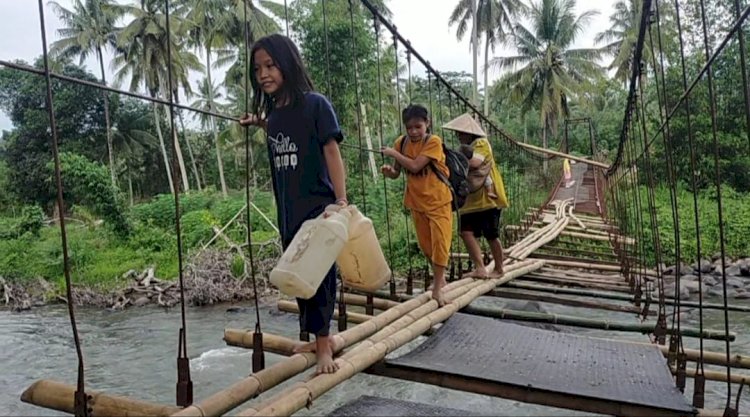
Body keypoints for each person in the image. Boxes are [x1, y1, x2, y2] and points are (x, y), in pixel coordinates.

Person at [239, 34, 346, 375]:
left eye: (270, 65)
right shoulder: (275, 116)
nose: (264, 74)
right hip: (288, 209)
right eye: (257, 69)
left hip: (318, 204)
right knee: (298, 272)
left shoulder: (315, 104)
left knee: (320, 275)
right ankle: (317, 338)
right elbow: (283, 133)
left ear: (288, 63)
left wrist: (340, 200)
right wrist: (259, 124)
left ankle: (325, 343)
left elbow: (331, 151)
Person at [380, 104, 453, 306]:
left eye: (417, 127)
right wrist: (390, 172)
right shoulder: (401, 143)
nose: (413, 132)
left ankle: (438, 289)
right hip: (416, 202)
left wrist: (393, 155)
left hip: (439, 201)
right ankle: (441, 279)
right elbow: (398, 172)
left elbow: (414, 165)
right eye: (409, 127)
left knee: (440, 244)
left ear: (427, 124)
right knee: (426, 246)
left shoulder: (434, 142)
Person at [443, 113, 508, 279]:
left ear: (470, 133)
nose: (458, 136)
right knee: (465, 232)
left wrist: (452, 158)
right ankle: (480, 268)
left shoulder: (481, 143)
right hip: (469, 200)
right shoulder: (466, 148)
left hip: (487, 199)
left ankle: (499, 269)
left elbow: (474, 163)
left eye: (461, 132)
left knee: (491, 234)